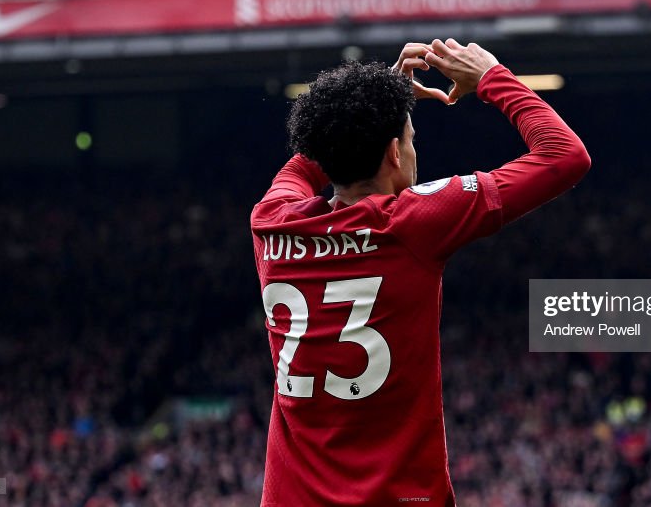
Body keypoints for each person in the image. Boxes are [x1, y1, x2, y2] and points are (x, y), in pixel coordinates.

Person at [251, 39, 590, 506]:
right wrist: (492, 77)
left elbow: (314, 157)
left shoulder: (271, 221)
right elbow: (564, 156)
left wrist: (372, 104)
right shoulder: (414, 223)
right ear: (394, 152)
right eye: (411, 138)